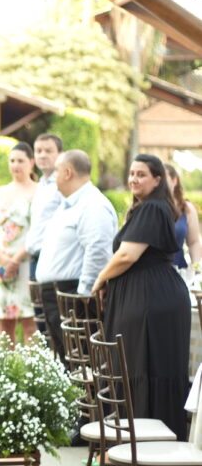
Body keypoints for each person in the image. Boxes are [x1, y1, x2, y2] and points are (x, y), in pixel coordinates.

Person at [92, 154, 191, 440]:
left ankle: (145, 441)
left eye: (142, 174)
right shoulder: (150, 208)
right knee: (139, 366)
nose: (134, 179)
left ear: (158, 180)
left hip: (151, 300)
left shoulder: (152, 208)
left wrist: (100, 279)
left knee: (143, 366)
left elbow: (127, 255)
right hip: (149, 296)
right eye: (132, 173)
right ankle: (142, 440)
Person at [35, 150, 116, 362]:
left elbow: (98, 250)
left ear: (68, 172)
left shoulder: (93, 204)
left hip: (73, 295)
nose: (54, 177)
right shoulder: (69, 204)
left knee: (81, 361)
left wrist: (84, 295)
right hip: (58, 294)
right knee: (66, 361)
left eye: (57, 171)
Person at [0, 141, 37, 342]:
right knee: (4, 325)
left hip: (25, 263)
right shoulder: (0, 191)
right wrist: (0, 257)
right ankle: (6, 362)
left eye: (20, 161)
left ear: (31, 163)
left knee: (30, 323)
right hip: (0, 263)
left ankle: (33, 362)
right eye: (12, 161)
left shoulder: (38, 191)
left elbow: (37, 231)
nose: (15, 165)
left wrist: (15, 260)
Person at [26, 133, 63, 278]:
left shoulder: (63, 184)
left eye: (48, 151)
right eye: (38, 151)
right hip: (34, 257)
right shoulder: (41, 185)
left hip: (53, 258)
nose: (42, 155)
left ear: (60, 154)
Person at [164, 162, 202, 274]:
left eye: (164, 179)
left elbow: (194, 242)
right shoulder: (148, 208)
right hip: (153, 274)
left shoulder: (186, 209)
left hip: (179, 272)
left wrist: (195, 268)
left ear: (174, 180)